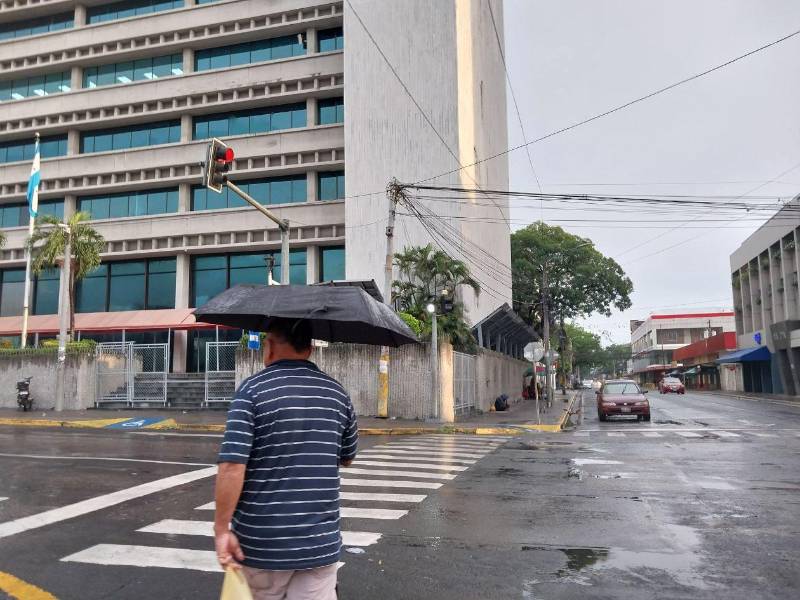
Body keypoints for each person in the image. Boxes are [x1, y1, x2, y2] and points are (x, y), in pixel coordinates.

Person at [214, 317, 358, 600]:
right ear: (310, 349)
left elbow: (232, 466)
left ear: (269, 346)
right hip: (319, 545)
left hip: (263, 545)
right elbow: (347, 456)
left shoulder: (251, 391)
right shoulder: (337, 393)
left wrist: (221, 530)